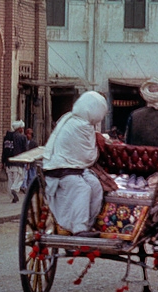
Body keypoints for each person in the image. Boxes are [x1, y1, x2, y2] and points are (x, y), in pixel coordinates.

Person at [42, 91, 109, 236]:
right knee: (83, 189)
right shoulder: (80, 125)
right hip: (60, 169)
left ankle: (88, 224)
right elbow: (88, 156)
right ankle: (79, 228)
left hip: (73, 168)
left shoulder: (71, 118)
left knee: (96, 186)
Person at [1, 120, 29, 203]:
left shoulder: (7, 137)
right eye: (22, 128)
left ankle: (12, 197)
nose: (23, 130)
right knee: (20, 177)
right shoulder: (22, 137)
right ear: (19, 129)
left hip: (8, 163)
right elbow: (25, 151)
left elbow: (4, 150)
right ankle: (15, 189)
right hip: (18, 162)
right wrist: (27, 162)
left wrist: (3, 162)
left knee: (10, 179)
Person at [21, 127, 39, 193]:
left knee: (32, 176)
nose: (27, 135)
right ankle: (24, 187)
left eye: (29, 134)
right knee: (24, 176)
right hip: (25, 161)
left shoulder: (34, 143)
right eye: (27, 134)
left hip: (32, 162)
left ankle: (31, 188)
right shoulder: (24, 141)